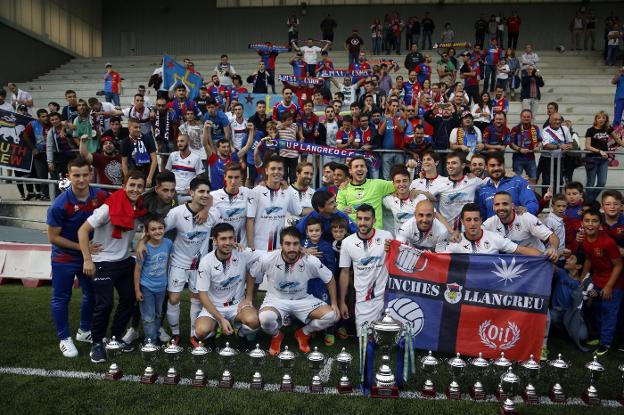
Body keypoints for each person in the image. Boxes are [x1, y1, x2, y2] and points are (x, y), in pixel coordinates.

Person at [78, 170, 147, 363]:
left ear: (143, 189)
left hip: (124, 261)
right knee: (105, 304)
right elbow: (82, 231)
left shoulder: (139, 207)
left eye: (139, 186)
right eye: (131, 185)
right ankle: (97, 343)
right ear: (124, 186)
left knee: (130, 299)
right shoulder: (109, 208)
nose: (135, 189)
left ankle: (115, 337)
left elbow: (151, 225)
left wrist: (142, 241)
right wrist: (87, 259)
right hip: (103, 263)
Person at [47, 157, 108, 358]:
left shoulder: (100, 195)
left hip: (89, 255)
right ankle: (64, 338)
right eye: (76, 175)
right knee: (61, 298)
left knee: (92, 294)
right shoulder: (58, 205)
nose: (81, 179)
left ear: (91, 174)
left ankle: (84, 331)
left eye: (84, 174)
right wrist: (83, 249)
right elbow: (53, 237)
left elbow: (122, 203)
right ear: (68, 177)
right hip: (65, 257)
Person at [253, 226, 338, 355]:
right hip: (276, 300)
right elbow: (252, 274)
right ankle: (277, 336)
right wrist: (249, 298)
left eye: (295, 244)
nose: (292, 248)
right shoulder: (268, 258)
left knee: (332, 316)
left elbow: (330, 278)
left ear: (300, 244)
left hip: (302, 299)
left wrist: (335, 304)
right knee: (265, 318)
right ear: (281, 245)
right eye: (287, 244)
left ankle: (303, 333)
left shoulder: (310, 261)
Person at [195, 223, 261, 350]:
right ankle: (211, 336)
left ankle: (242, 335)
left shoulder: (243, 253)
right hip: (214, 306)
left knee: (254, 321)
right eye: (223, 239)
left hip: (237, 305)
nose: (228, 242)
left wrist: (248, 298)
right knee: (200, 331)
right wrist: (220, 319)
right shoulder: (206, 262)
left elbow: (260, 263)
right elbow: (202, 295)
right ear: (215, 241)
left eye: (231, 238)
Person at [338, 204, 393, 335]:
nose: (362, 223)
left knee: (394, 338)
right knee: (365, 339)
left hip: (387, 297)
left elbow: (397, 260)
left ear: (374, 220)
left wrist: (391, 250)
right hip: (364, 299)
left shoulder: (387, 237)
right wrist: (342, 302)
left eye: (367, 219)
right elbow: (345, 272)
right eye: (359, 218)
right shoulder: (347, 242)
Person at [577, 209, 623, 355]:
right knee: (594, 308)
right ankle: (598, 336)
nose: (590, 224)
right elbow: (589, 259)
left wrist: (609, 286)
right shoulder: (584, 239)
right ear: (582, 223)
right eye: (587, 221)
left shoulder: (608, 242)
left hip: (614, 283)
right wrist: (582, 278)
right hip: (597, 280)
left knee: (608, 312)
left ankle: (606, 344)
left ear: (600, 224)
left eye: (594, 221)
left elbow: (619, 265)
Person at [246, 155, 305, 251]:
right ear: (266, 171)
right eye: (273, 169)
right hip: (258, 248)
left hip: (278, 249)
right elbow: (249, 220)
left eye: (279, 169)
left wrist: (320, 209)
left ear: (283, 172)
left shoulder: (287, 192)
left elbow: (299, 211)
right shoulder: (256, 192)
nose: (276, 172)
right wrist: (250, 246)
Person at [482, 191, 559, 260]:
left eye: (505, 204)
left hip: (536, 262)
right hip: (513, 265)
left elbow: (551, 236)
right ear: (493, 207)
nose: (501, 207)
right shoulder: (490, 222)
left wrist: (553, 248)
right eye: (497, 204)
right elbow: (475, 234)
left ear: (512, 206)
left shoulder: (525, 217)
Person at [133, 216, 173, 344]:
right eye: (153, 229)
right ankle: (150, 342)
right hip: (147, 287)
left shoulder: (168, 243)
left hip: (161, 286)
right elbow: (137, 270)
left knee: (158, 314)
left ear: (165, 229)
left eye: (160, 228)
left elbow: (169, 263)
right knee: (148, 317)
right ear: (148, 232)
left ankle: (154, 337)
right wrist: (137, 289)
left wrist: (168, 284)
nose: (157, 231)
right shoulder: (144, 248)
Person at [445, 203, 542, 255]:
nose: (473, 223)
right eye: (468, 220)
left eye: (476, 219)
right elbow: (440, 259)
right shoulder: (456, 241)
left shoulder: (495, 238)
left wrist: (545, 258)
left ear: (481, 221)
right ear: (462, 221)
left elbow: (521, 250)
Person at [337, 156, 395, 229]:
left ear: (367, 169)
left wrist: (413, 188)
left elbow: (400, 185)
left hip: (376, 234)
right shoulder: (343, 189)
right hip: (354, 233)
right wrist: (343, 211)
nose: (359, 169)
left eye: (362, 166)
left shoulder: (377, 184)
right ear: (350, 171)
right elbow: (338, 213)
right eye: (356, 166)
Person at [476, 152, 539, 219]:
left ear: (504, 165)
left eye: (499, 165)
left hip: (517, 227)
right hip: (492, 229)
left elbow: (533, 204)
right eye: (492, 165)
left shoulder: (517, 182)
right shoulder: (483, 191)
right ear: (486, 167)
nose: (496, 168)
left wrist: (526, 209)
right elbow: (482, 217)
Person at [584, 111, 623, 202]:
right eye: (599, 118)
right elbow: (587, 146)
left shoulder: (608, 129)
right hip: (592, 159)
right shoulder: (590, 130)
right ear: (596, 119)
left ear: (606, 119)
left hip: (603, 160)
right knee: (591, 183)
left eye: (603, 118)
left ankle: (589, 201)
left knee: (602, 183)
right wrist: (599, 151)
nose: (601, 119)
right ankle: (589, 204)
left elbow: (617, 140)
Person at [383, 166, 428, 236]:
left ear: (410, 182)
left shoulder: (420, 198)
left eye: (404, 181)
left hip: (419, 241)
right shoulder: (388, 200)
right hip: (400, 242)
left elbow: (435, 215)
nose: (401, 184)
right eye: (398, 181)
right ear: (393, 184)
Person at [538, 112, 573, 194]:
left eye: (559, 120)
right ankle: (546, 202)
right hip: (547, 160)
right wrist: (559, 146)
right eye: (555, 120)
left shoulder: (565, 129)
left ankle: (557, 200)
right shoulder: (545, 131)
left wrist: (568, 147)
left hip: (560, 159)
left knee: (559, 181)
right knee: (547, 181)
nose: (557, 121)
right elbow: (546, 145)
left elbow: (570, 143)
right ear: (550, 121)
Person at [22, 109, 51, 200]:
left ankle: (59, 194)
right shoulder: (33, 124)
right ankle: (44, 194)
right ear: (38, 117)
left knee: (55, 175)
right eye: (43, 116)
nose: (46, 118)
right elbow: (24, 136)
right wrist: (33, 149)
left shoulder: (52, 123)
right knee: (42, 175)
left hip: (53, 153)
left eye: (47, 116)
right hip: (40, 154)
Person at [165, 134, 204, 202]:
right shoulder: (173, 155)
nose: (179, 143)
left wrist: (192, 188)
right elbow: (167, 173)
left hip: (187, 194)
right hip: (173, 192)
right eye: (178, 141)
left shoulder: (196, 158)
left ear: (188, 142)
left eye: (182, 141)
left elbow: (200, 177)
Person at [120, 118, 158, 187]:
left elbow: (154, 159)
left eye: (139, 127)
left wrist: (150, 177)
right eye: (135, 127)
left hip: (149, 171)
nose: (138, 129)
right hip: (135, 172)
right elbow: (124, 163)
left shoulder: (147, 138)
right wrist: (127, 179)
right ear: (129, 128)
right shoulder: (125, 142)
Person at [509, 109, 541, 182]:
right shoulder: (515, 129)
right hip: (518, 159)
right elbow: (511, 143)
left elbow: (539, 140)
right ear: (521, 117)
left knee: (533, 179)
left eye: (528, 117)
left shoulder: (535, 128)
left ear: (531, 117)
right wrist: (520, 149)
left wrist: (538, 146)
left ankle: (531, 193)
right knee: (517, 181)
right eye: (524, 117)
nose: (526, 118)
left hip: (531, 158)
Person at [46, 111, 76, 183]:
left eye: (56, 119)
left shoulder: (67, 126)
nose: (54, 121)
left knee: (75, 176)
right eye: (52, 120)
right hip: (61, 157)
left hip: (74, 155)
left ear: (60, 119)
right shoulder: (51, 132)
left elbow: (74, 128)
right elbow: (49, 147)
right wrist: (50, 162)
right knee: (65, 178)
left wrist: (65, 127)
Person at [286, 162, 316, 226]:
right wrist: (314, 210)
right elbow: (300, 212)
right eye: (306, 173)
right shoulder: (287, 191)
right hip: (290, 231)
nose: (309, 176)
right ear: (297, 173)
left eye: (311, 174)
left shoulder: (314, 193)